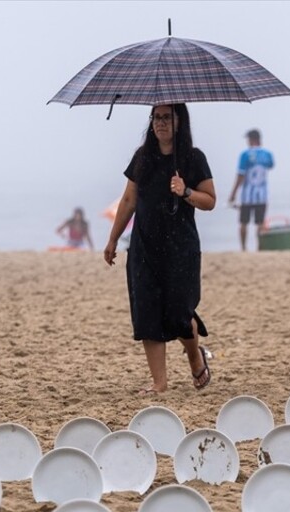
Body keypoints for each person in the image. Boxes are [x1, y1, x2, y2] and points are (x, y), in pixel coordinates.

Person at [104, 103, 217, 393]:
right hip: (144, 246)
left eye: (167, 117)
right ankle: (159, 383)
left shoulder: (193, 158)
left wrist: (186, 191)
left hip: (181, 248)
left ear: (180, 121)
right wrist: (113, 239)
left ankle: (195, 356)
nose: (160, 123)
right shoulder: (143, 158)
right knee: (147, 313)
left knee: (180, 314)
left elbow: (210, 201)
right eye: (156, 117)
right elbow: (128, 201)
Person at [227, 128, 274, 251]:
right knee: (260, 222)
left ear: (252, 139)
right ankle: (259, 248)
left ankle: (243, 248)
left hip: (247, 195)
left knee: (243, 223)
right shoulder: (267, 155)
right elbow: (270, 166)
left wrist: (233, 193)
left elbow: (240, 175)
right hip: (262, 194)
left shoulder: (245, 155)